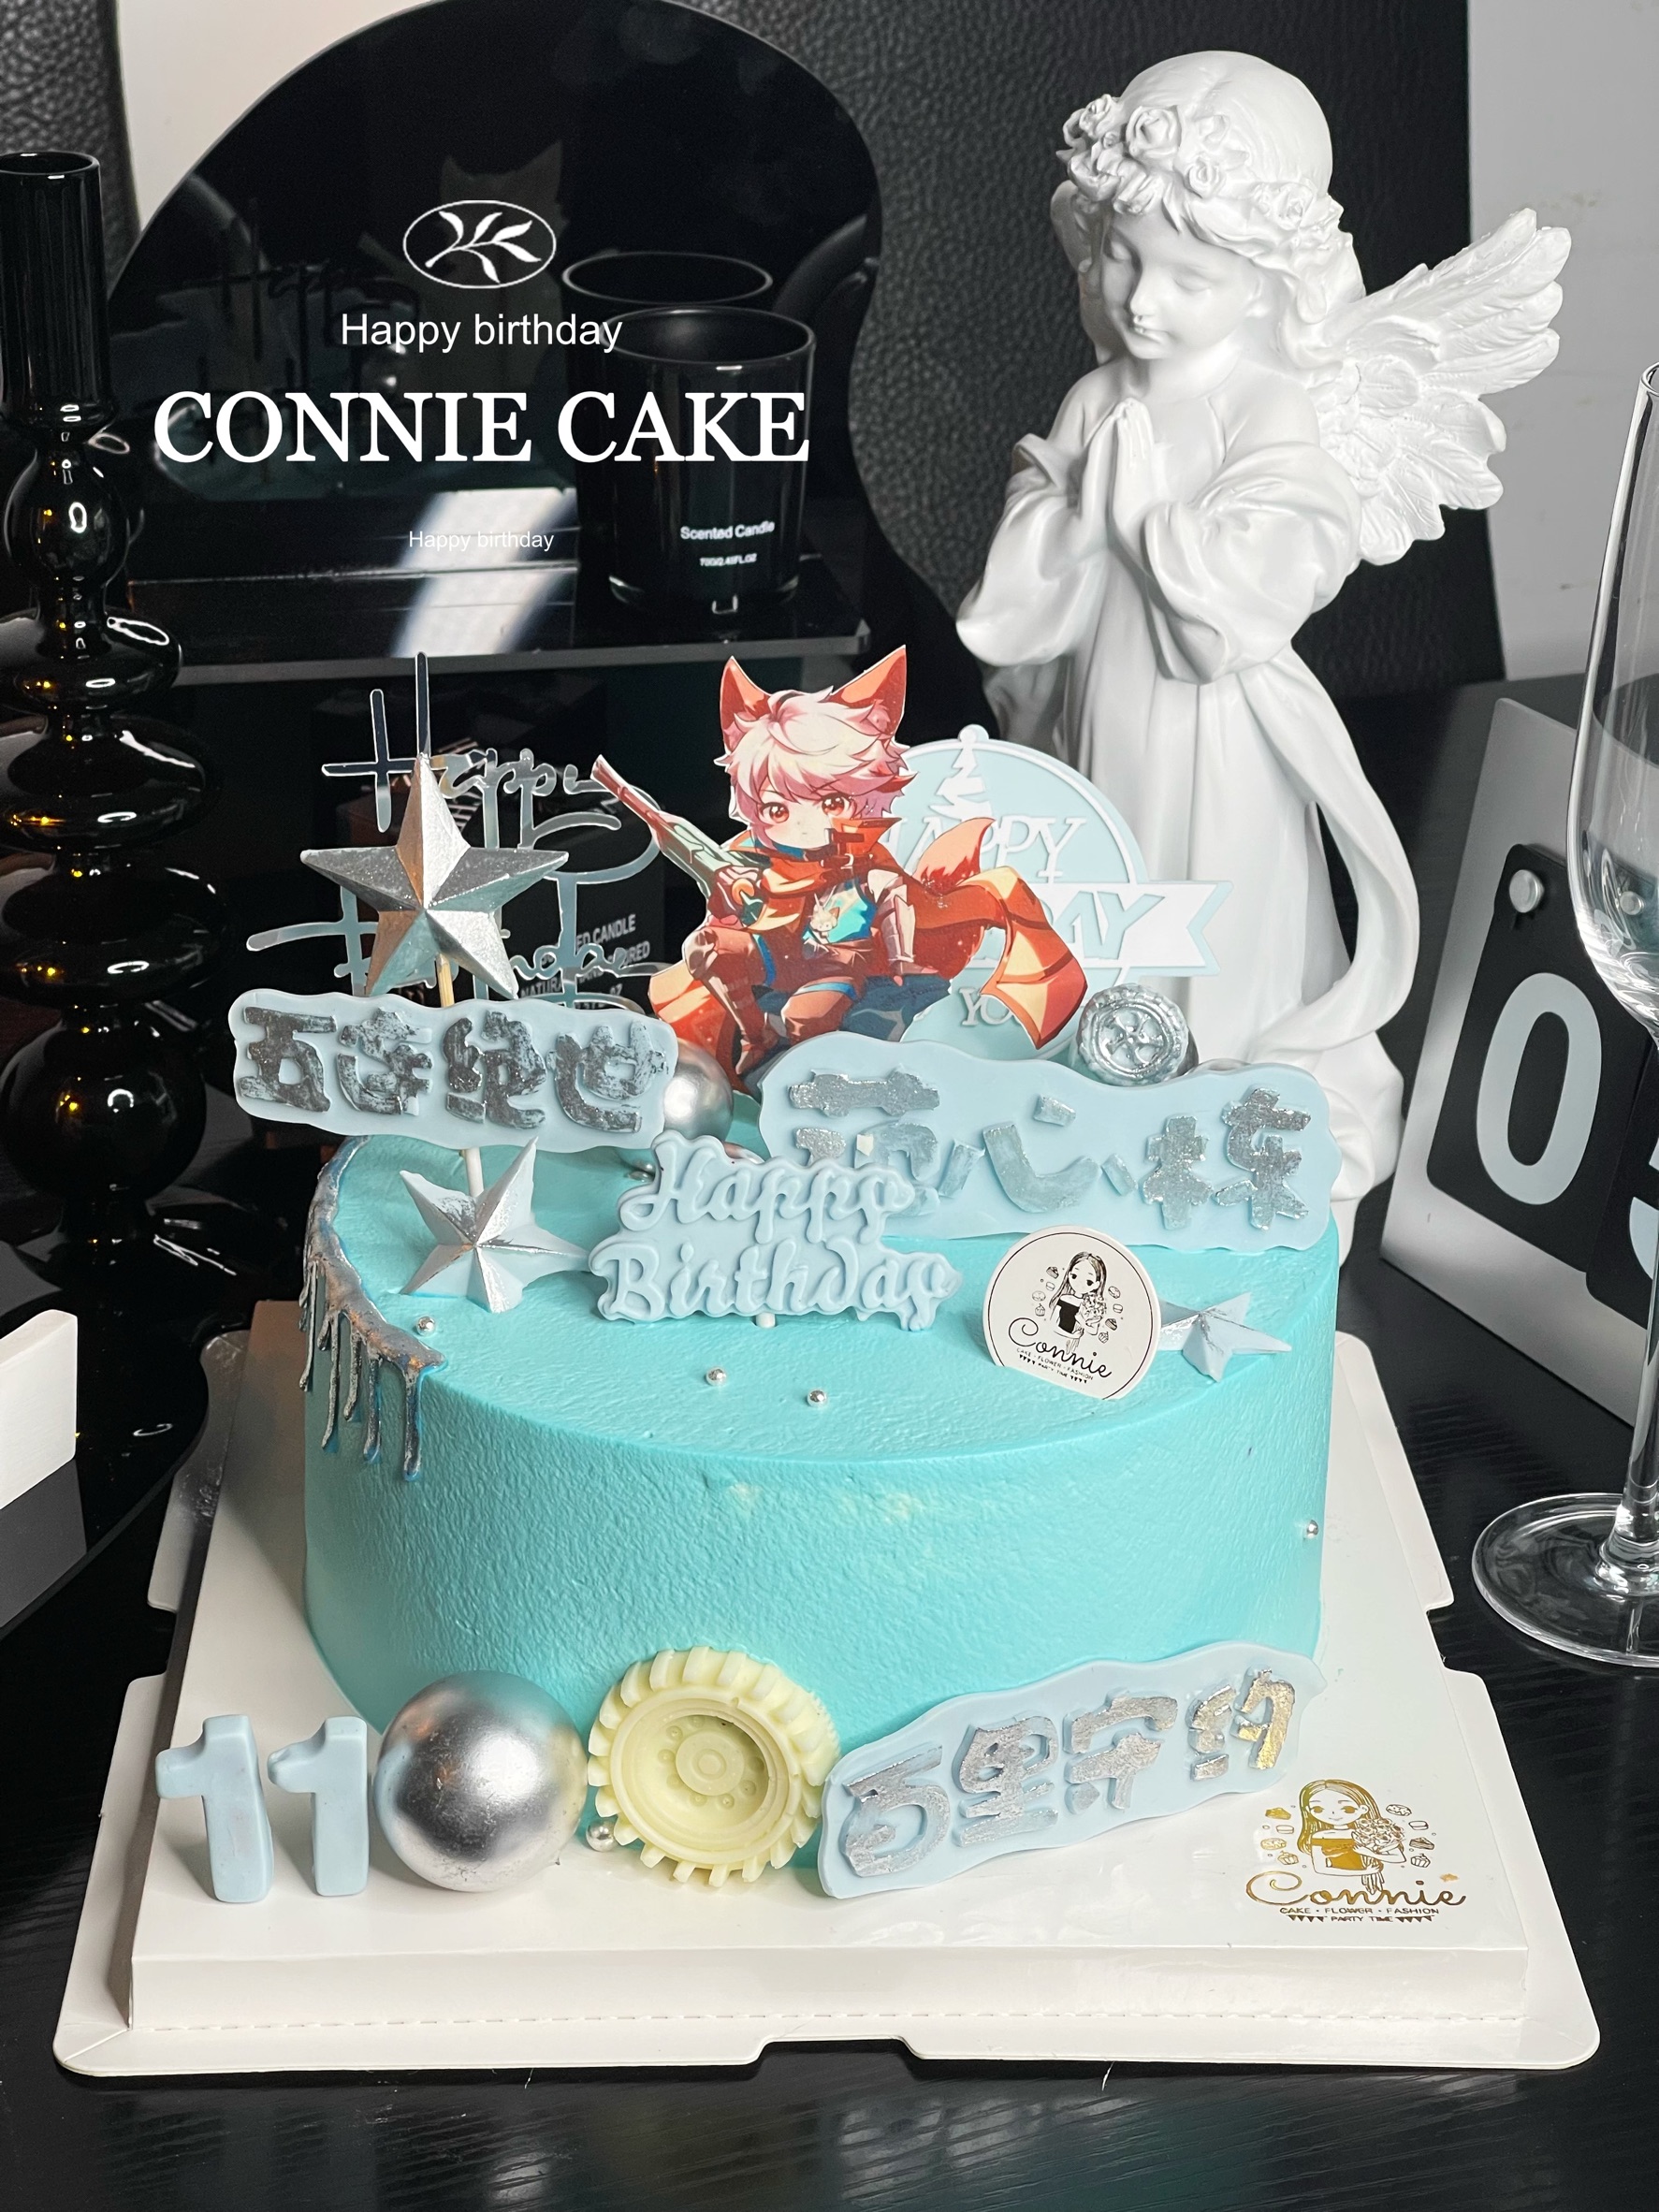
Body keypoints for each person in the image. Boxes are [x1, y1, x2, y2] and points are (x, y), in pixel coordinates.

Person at [959, 51, 1566, 1242]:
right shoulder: (1097, 399)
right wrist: (1071, 518)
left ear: (1263, 283)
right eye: (1123, 257)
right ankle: (1099, 1085)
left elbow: (1289, 551)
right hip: (1101, 706)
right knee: (1103, 886)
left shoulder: (1265, 404)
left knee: (1217, 911)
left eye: (1190, 276)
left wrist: (1151, 522)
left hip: (1215, 724)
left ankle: (1209, 1103)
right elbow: (1022, 576)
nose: (1144, 300)